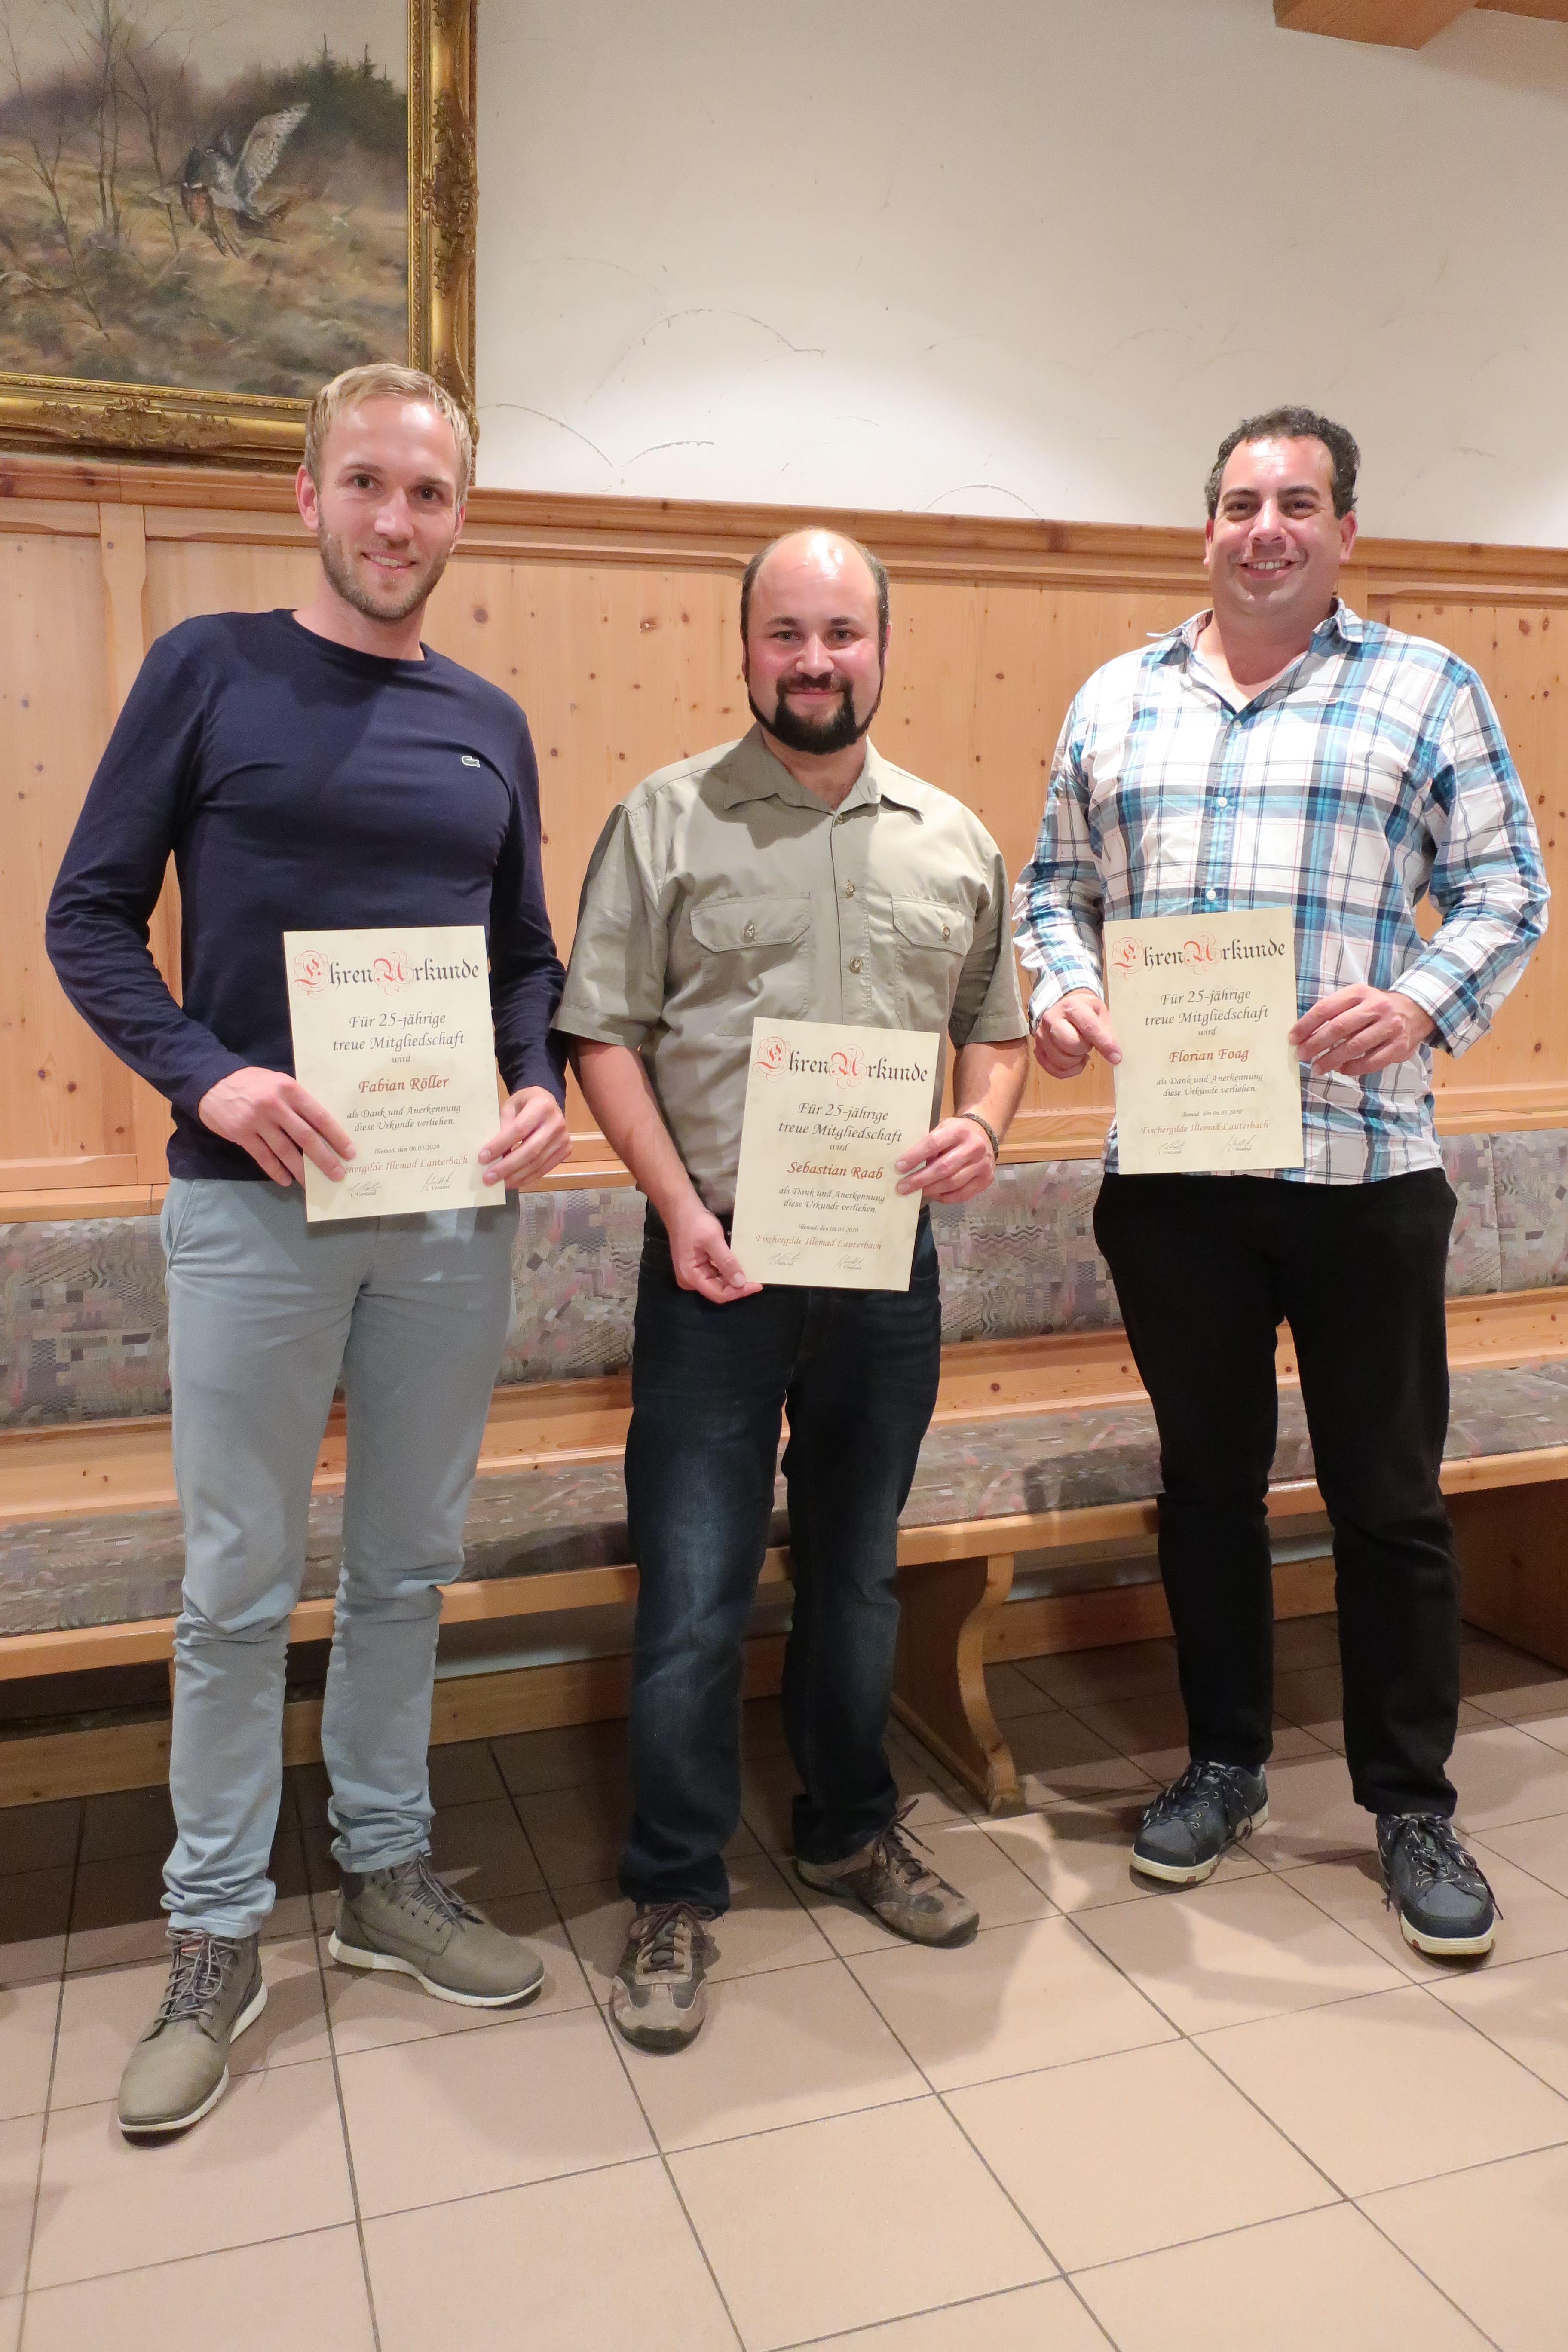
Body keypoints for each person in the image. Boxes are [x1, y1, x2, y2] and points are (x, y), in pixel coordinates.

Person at [46, 363, 571, 2137]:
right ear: (307, 496)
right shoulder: (209, 669)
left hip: (444, 1211)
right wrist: (210, 1073)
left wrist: (531, 1081)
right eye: (367, 484)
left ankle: (385, 1877)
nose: (396, 520)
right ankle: (213, 1932)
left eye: (429, 492)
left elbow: (523, 954)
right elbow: (87, 916)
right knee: (235, 1588)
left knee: (409, 1565)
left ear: (460, 516)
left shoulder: (490, 721)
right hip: (249, 1204)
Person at [1015, 406, 1548, 1960]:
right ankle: (1225, 1764)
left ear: (1344, 532)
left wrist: (1423, 1003)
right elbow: (1052, 890)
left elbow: (1509, 887)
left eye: (1298, 504)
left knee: (1390, 1497)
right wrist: (1063, 991)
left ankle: (1412, 1805)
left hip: (1361, 1164)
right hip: (1176, 1173)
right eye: (1243, 503)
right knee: (1208, 1487)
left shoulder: (1426, 689)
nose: (1267, 529)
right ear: (1208, 527)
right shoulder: (1117, 698)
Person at [555, 528, 1029, 2051]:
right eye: (785, 633)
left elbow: (996, 1027)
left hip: (886, 1268)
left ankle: (848, 1828)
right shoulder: (663, 820)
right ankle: (673, 1886)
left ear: (882, 647)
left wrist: (983, 1127)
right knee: (695, 1589)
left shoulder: (953, 839)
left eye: (841, 633)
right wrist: (676, 1209)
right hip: (716, 1263)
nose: (813, 660)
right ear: (746, 646)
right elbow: (601, 1031)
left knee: (857, 1573)